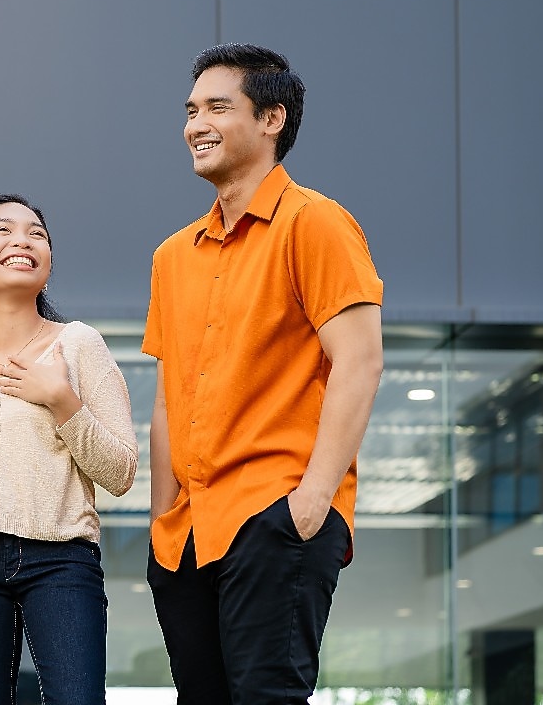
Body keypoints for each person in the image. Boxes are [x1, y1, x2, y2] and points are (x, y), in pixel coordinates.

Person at [143, 43, 384, 704]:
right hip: (187, 535)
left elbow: (359, 362)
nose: (196, 123)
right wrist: (163, 516)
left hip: (276, 513)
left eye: (218, 107)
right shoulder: (171, 257)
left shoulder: (317, 223)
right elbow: (169, 399)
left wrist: (311, 503)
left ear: (271, 119)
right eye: (191, 110)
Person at [0, 193, 138, 705]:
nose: (22, 240)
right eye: (2, 230)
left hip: (62, 559)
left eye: (36, 233)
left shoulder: (79, 345)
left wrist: (62, 401)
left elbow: (121, 471)